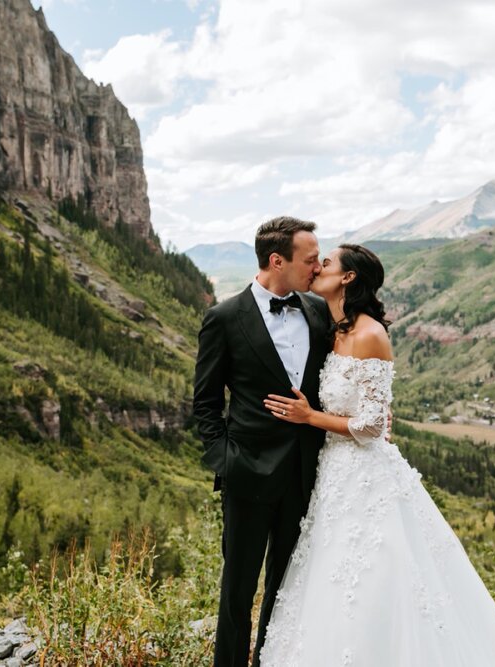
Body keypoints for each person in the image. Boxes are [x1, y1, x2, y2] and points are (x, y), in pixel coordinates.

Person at [259, 244, 495, 666]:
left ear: (348, 277)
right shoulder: (336, 328)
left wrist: (309, 417)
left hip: (365, 474)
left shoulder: (369, 334)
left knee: (376, 574)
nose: (318, 266)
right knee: (333, 572)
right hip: (335, 474)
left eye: (327, 263)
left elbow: (371, 426)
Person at [193, 217, 332, 667]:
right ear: (278, 260)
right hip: (247, 476)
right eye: (310, 259)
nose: (318, 266)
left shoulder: (316, 312)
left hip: (304, 473)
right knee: (237, 590)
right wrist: (227, 461)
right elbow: (206, 404)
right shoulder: (225, 318)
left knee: (285, 586)